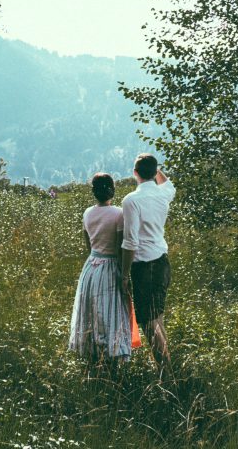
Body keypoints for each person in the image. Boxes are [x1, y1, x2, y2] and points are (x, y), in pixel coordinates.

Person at [69, 172, 132, 366]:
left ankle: (92, 353)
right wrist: (124, 275)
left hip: (91, 267)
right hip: (110, 266)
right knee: (111, 310)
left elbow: (88, 245)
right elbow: (121, 247)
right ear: (112, 189)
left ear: (94, 192)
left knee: (91, 310)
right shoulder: (119, 214)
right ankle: (114, 354)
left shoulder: (87, 213)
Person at [121, 154, 175, 375]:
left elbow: (130, 241)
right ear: (155, 173)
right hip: (162, 262)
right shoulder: (164, 194)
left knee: (148, 323)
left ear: (135, 173)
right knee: (157, 316)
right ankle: (166, 368)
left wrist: (124, 275)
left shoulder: (131, 200)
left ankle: (167, 374)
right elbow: (168, 183)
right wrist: (156, 169)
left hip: (144, 266)